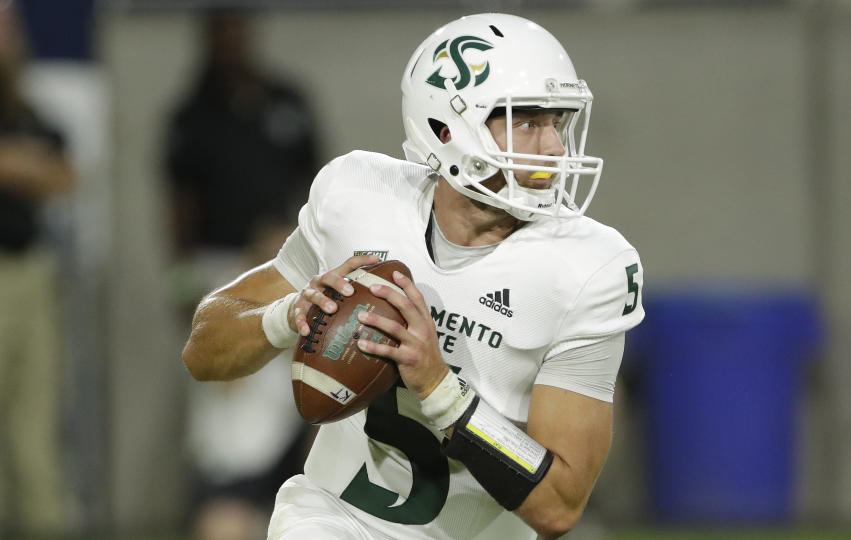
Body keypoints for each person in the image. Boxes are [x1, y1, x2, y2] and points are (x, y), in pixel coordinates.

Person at [183, 13, 645, 540]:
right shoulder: (359, 199)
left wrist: (439, 387)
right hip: (336, 520)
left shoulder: (588, 266)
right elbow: (202, 349)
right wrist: (288, 315)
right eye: (527, 122)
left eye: (557, 124)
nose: (555, 149)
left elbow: (560, 506)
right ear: (447, 129)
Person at [164, 8, 320, 539]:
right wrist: (185, 287)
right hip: (221, 270)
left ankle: (284, 497)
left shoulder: (286, 100)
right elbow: (179, 210)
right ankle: (232, 499)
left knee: (300, 398)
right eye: (221, 30)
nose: (232, 40)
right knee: (232, 421)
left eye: (239, 28)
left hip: (291, 263)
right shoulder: (192, 114)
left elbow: (317, 189)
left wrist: (297, 241)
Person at [0, 0, 73, 534]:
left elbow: (65, 176)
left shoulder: (26, 112)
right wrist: (23, 166)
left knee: (36, 418)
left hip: (29, 271)